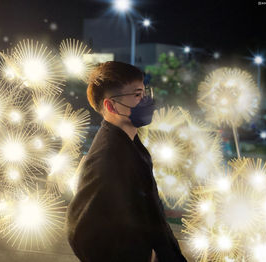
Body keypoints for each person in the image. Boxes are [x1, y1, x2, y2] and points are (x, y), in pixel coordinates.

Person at [66, 61, 187, 262]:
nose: (145, 100)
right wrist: (145, 256)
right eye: (137, 95)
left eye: (144, 93)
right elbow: (79, 231)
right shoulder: (107, 157)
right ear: (111, 105)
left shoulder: (130, 143)